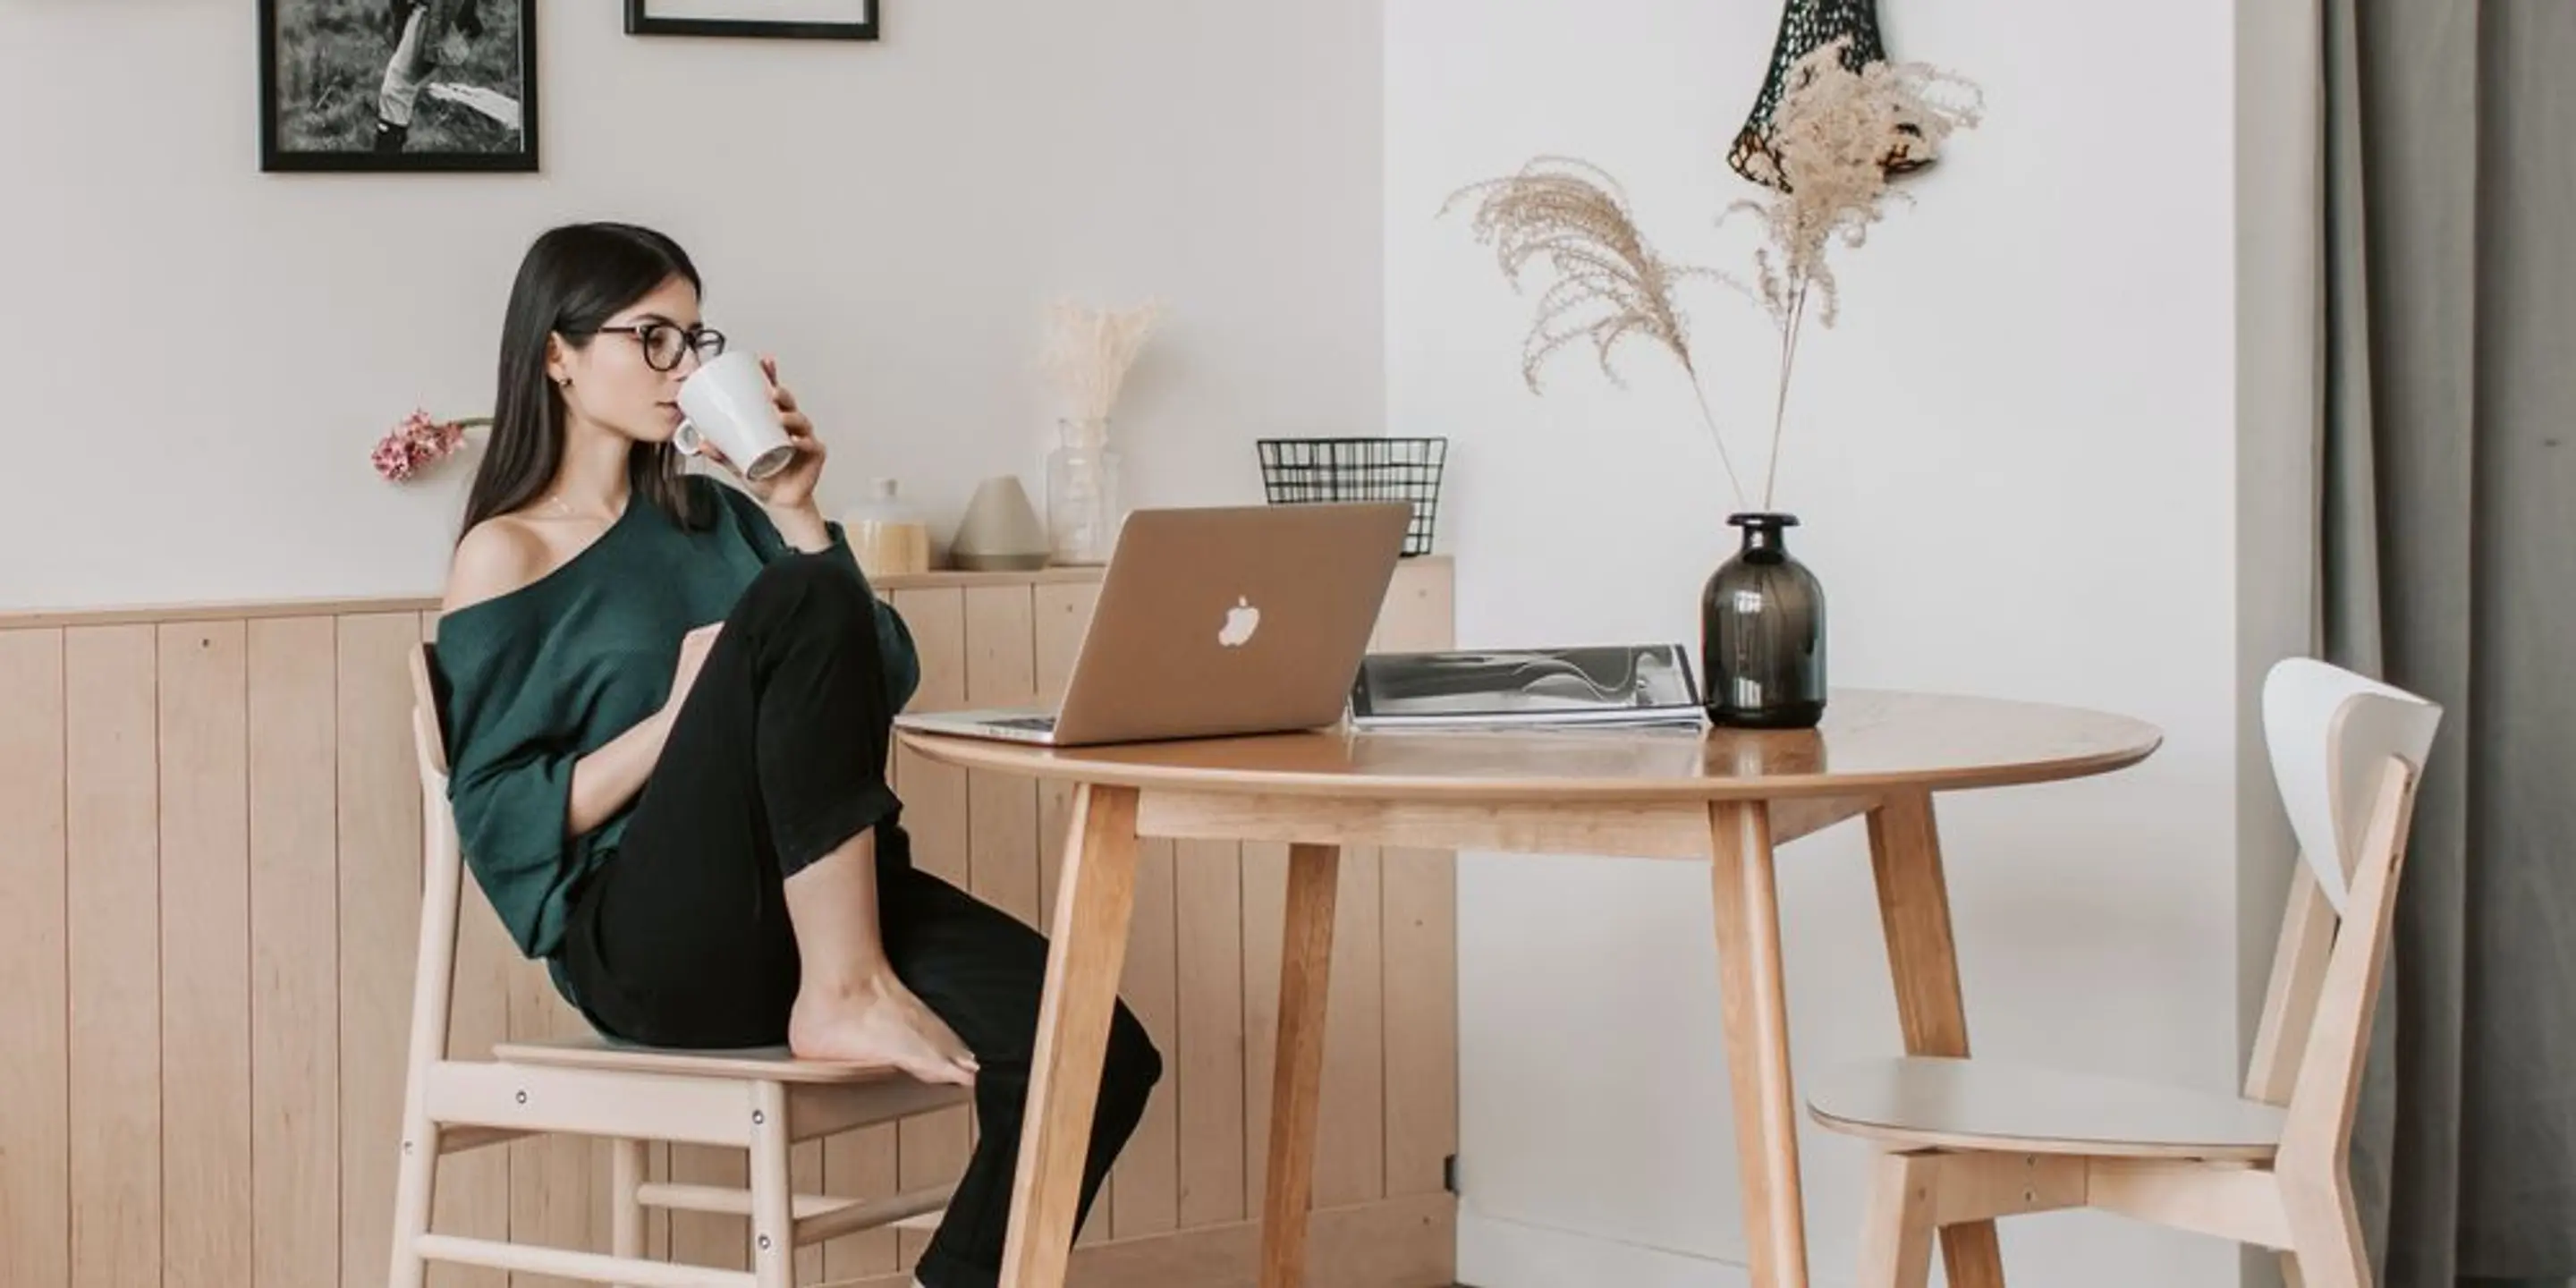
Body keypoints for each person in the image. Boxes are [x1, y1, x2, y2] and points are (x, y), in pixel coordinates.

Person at [432, 221, 1162, 1288]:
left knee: (1100, 1050)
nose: (683, 367)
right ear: (558, 354)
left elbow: (881, 676)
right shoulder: (506, 552)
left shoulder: (719, 520)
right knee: (798, 597)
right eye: (652, 338)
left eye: (696, 340)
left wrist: (796, 507)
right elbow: (495, 814)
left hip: (819, 895)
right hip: (650, 945)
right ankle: (844, 987)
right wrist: (675, 720)